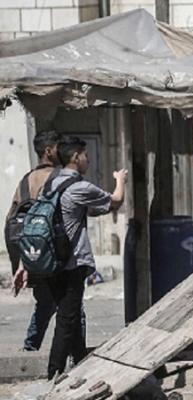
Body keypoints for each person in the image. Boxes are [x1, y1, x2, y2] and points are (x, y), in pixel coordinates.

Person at [13, 135, 128, 380]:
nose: (88, 160)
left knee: (72, 317)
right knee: (67, 319)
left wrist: (24, 263)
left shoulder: (50, 185)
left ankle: (80, 363)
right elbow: (116, 201)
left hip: (50, 262)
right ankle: (54, 372)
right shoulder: (79, 187)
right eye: (85, 155)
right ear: (75, 157)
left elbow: (38, 222)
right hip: (71, 263)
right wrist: (120, 180)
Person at [5, 130, 87, 352]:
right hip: (56, 255)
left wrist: (21, 261)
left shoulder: (25, 180)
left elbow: (11, 222)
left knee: (46, 302)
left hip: (32, 255)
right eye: (59, 147)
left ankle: (30, 348)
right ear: (49, 151)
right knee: (73, 307)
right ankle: (77, 354)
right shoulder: (59, 178)